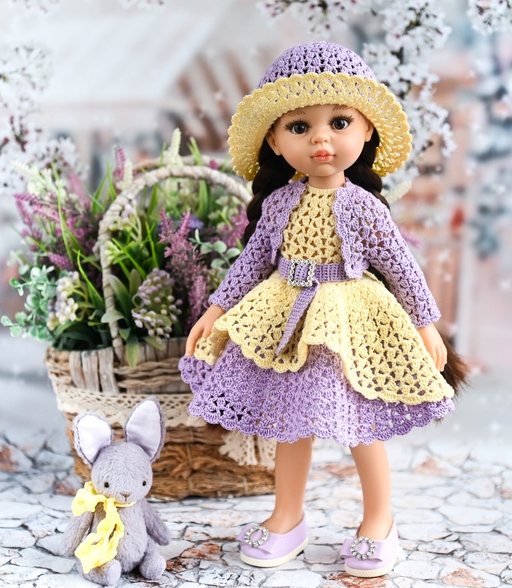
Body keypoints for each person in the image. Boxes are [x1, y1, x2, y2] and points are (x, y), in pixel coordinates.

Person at [179, 41, 458, 578]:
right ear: (275, 140)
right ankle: (288, 516)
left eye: (339, 122)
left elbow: (401, 267)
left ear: (367, 129)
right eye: (300, 127)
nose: (321, 139)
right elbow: (253, 261)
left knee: (361, 425)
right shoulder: (281, 203)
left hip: (349, 322)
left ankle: (379, 520)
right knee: (290, 425)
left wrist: (425, 324)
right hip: (285, 320)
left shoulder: (363, 207)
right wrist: (217, 308)